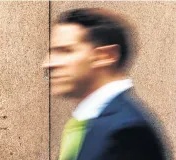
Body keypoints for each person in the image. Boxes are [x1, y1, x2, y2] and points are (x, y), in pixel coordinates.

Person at [43, 8, 167, 160]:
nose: (48, 64)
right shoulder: (90, 122)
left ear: (105, 56)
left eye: (65, 51)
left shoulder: (127, 132)